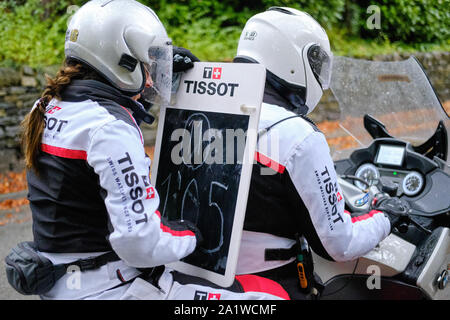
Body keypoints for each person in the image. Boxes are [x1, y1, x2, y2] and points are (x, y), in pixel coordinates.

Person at [20, 0, 203, 299]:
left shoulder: (48, 107)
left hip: (63, 284)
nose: (149, 77)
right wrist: (193, 233)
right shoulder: (108, 129)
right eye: (147, 65)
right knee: (264, 300)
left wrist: (158, 75)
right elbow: (141, 241)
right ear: (122, 62)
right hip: (108, 287)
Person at [233, 7, 402, 299]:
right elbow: (339, 244)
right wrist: (386, 215)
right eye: (316, 61)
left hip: (187, 280)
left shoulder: (197, 110)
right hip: (264, 287)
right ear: (291, 59)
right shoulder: (296, 134)